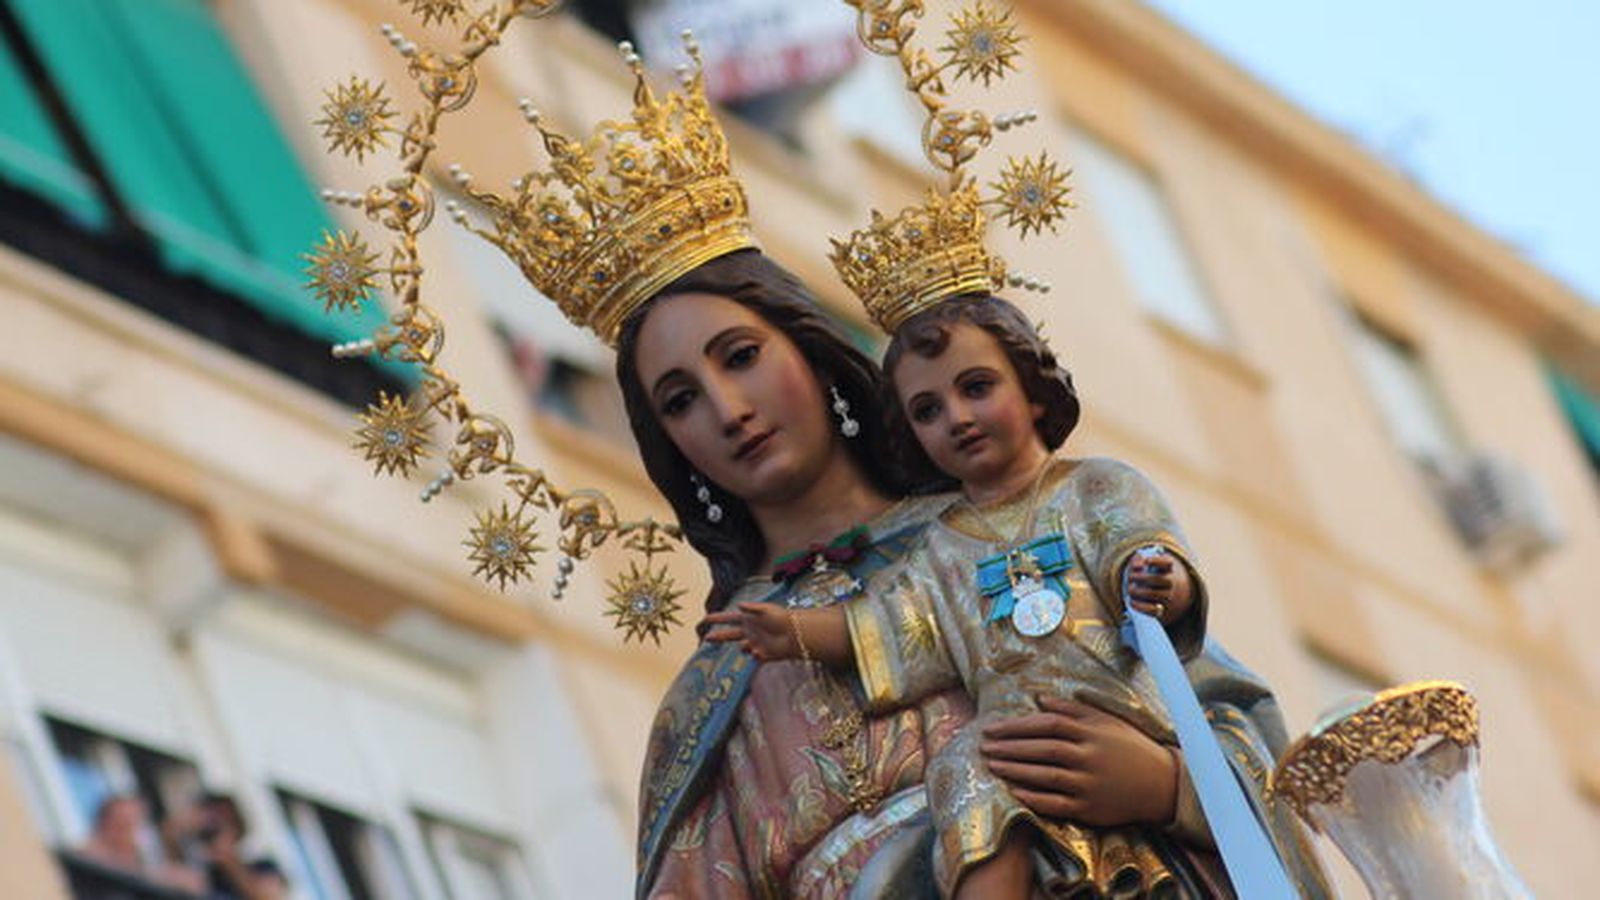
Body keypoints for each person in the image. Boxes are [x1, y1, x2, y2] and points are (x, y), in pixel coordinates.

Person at [712, 295, 1333, 898]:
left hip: (1121, 711)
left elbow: (1140, 552)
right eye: (927, 410)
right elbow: (894, 628)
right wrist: (793, 633)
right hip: (1011, 741)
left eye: (976, 388)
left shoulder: (1094, 488)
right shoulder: (937, 550)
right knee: (962, 770)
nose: (956, 417)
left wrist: (1157, 586)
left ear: (1033, 390)